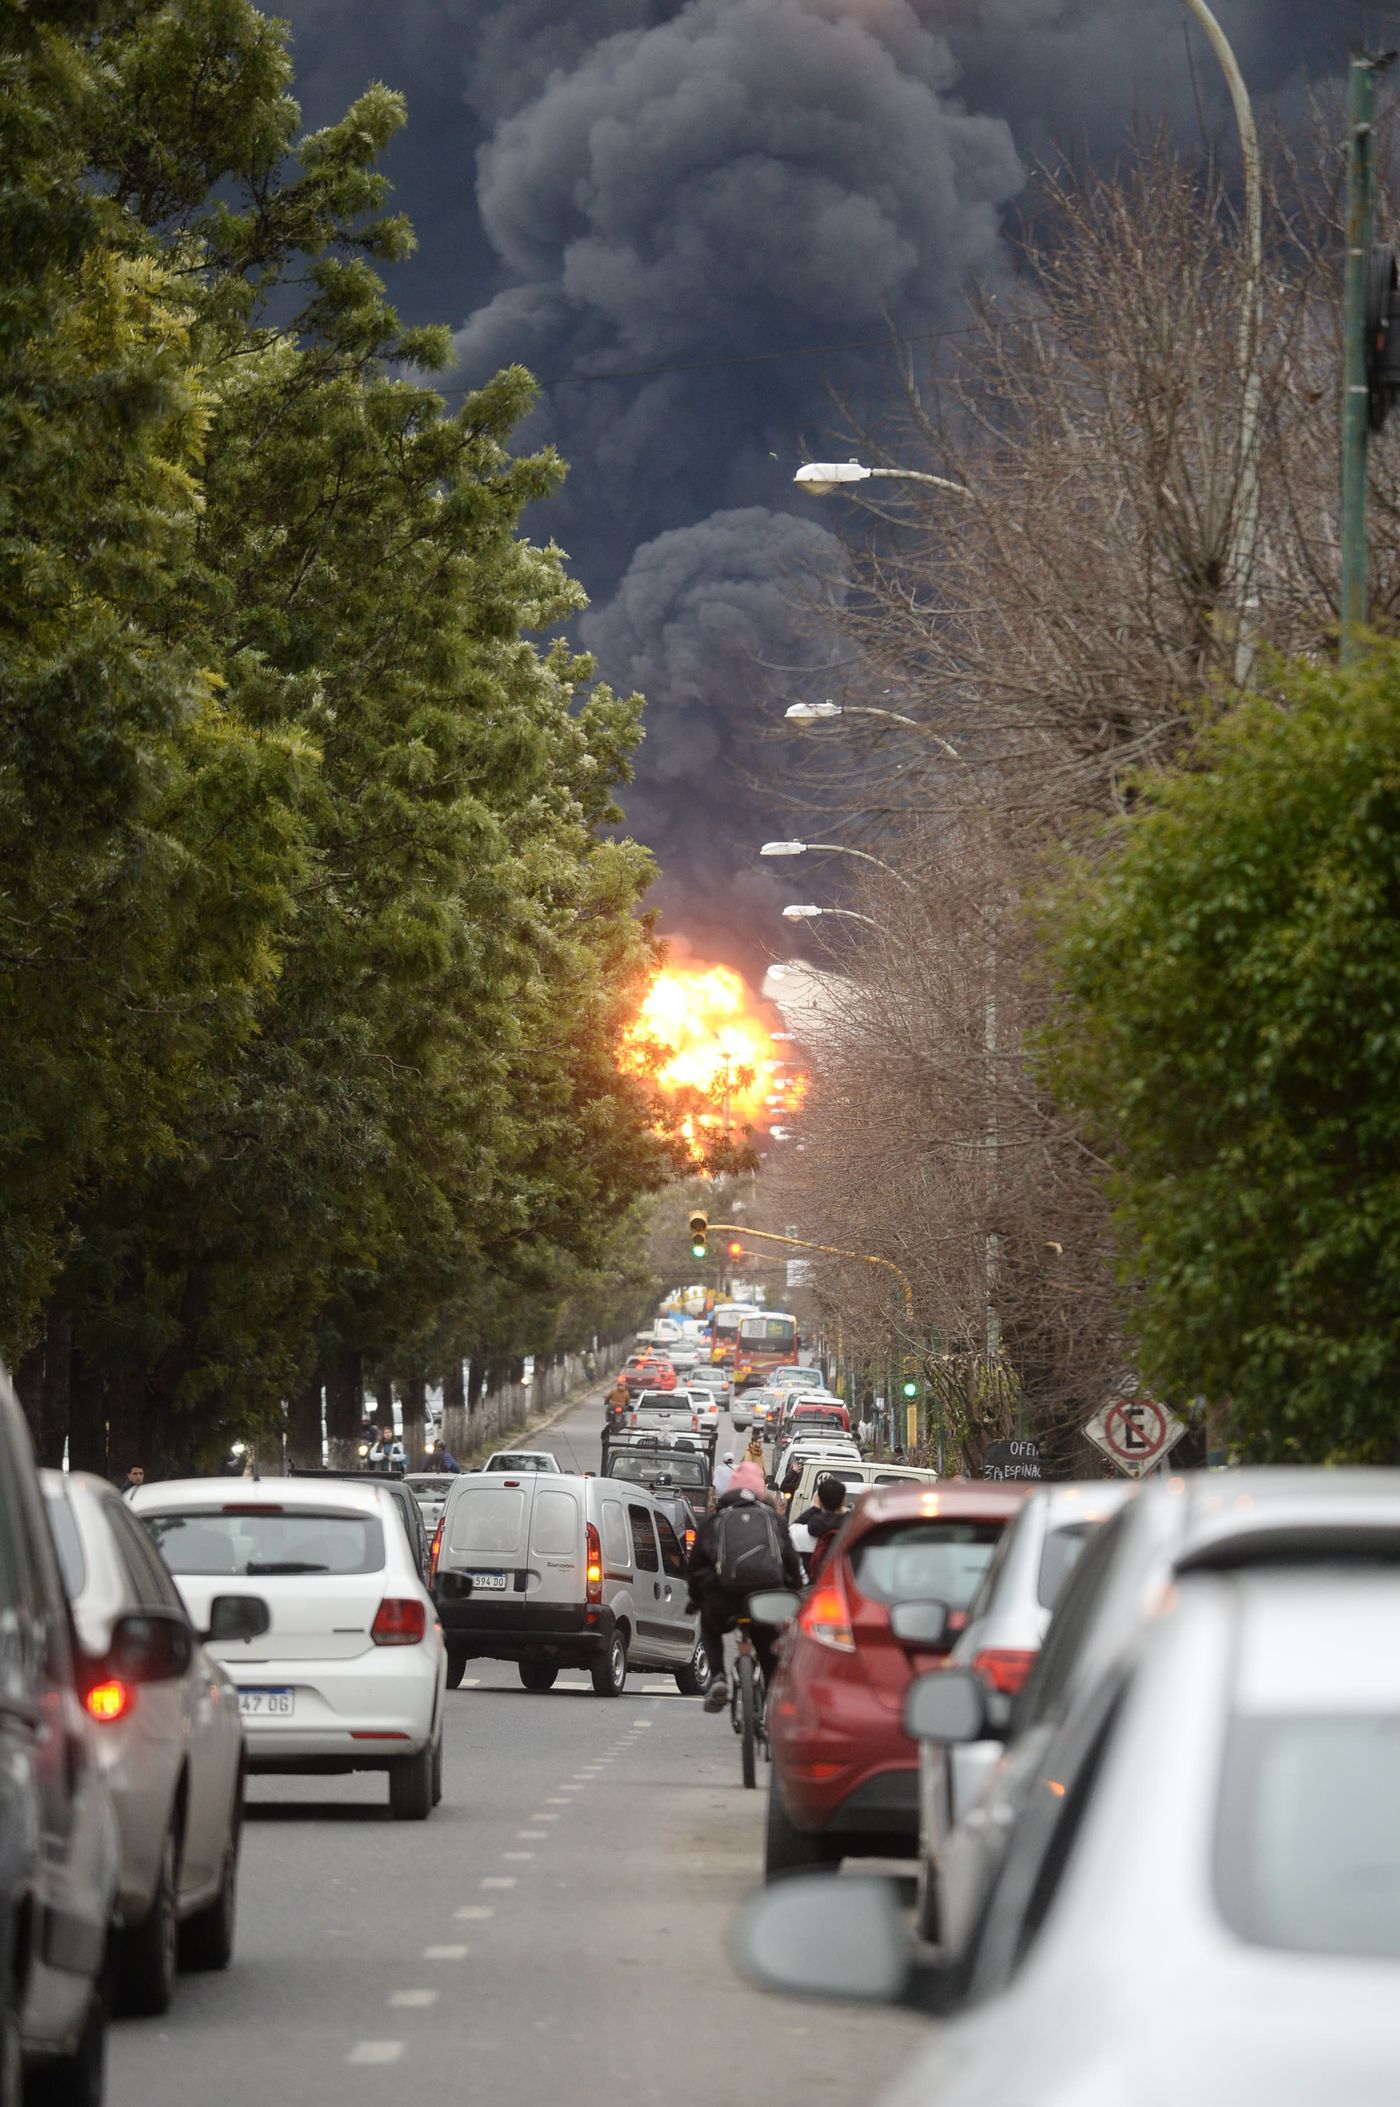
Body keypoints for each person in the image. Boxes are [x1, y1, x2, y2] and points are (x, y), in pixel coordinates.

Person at [686, 1482, 804, 1711]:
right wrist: (792, 1587)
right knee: (768, 1642)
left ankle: (718, 1676)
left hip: (725, 1600)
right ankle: (771, 1698)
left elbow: (695, 1566)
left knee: (709, 1625)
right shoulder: (774, 1520)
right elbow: (791, 1560)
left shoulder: (715, 1522)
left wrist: (696, 1598)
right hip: (765, 1599)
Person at [792, 1475, 849, 1581]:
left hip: (813, 1588)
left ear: (819, 1500)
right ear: (843, 1501)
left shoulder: (800, 1533)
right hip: (842, 1588)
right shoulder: (853, 1532)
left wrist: (815, 1507)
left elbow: (793, 1527)